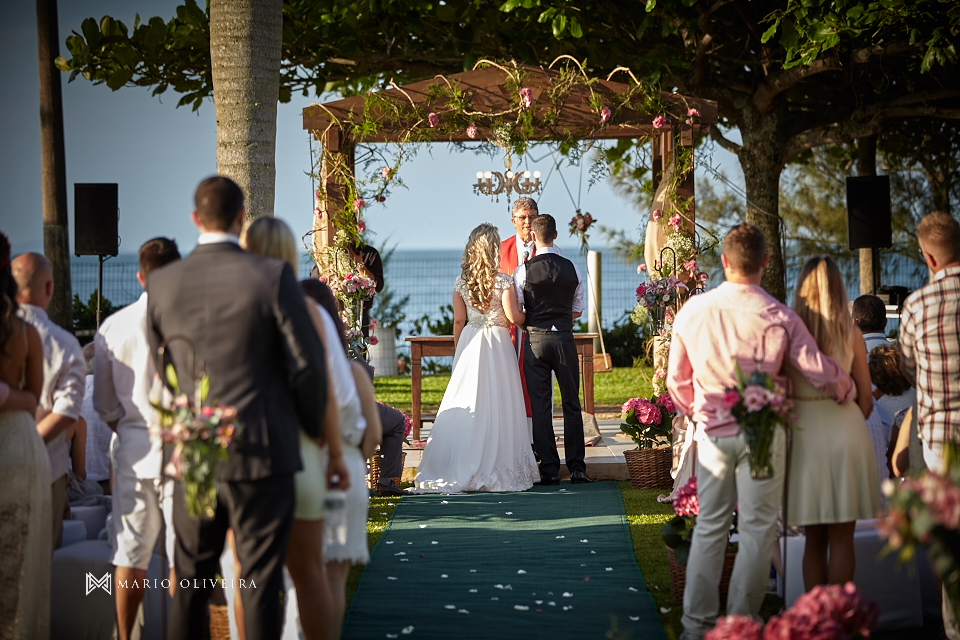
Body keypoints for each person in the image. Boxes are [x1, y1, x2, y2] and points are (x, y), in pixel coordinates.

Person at [147, 176, 341, 640]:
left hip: (196, 456)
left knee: (190, 586)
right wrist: (312, 428)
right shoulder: (271, 276)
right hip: (263, 452)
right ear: (240, 219)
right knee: (259, 582)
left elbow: (164, 368)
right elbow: (308, 366)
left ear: (195, 219)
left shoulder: (162, 283)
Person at [666, 224, 855, 640]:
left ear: (724, 261)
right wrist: (847, 386)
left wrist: (697, 412)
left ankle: (696, 627)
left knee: (711, 527)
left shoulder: (693, 311)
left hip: (714, 432)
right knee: (756, 530)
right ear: (766, 263)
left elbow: (676, 380)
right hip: (765, 432)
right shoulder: (779, 315)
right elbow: (817, 369)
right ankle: (740, 623)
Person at [234, 215, 349, 640]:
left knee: (247, 577)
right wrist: (335, 452)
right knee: (309, 573)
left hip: (243, 453)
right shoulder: (310, 312)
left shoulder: (228, 307)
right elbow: (323, 390)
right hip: (298, 449)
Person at [94, 237, 181, 640]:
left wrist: (130, 428)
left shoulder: (113, 326)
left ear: (139, 275)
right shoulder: (193, 320)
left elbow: (105, 405)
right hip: (183, 451)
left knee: (130, 551)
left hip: (132, 450)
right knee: (184, 552)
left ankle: (125, 636)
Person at [414, 223, 539, 493]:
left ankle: (459, 461)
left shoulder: (462, 282)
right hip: (496, 342)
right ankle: (497, 460)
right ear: (493, 249)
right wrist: (532, 314)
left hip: (470, 340)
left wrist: (459, 350)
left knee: (468, 398)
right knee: (499, 401)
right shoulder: (504, 282)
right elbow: (514, 319)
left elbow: (459, 320)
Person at [786, 256, 881, 590]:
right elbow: (867, 401)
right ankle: (839, 618)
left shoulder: (788, 332)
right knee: (842, 538)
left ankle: (817, 621)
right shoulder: (851, 333)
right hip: (847, 432)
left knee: (814, 539)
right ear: (839, 288)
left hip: (804, 435)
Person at [301, 278, 382, 639]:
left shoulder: (298, 373)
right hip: (347, 468)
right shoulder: (354, 373)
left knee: (305, 573)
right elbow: (375, 435)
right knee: (335, 577)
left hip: (307, 469)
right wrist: (354, 459)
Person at [898, 210, 960, 640]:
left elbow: (906, 369)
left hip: (941, 438)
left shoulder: (917, 305)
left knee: (950, 544)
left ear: (929, 258)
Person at [13, 251, 86, 550]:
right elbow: (67, 413)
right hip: (48, 466)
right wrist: (31, 442)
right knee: (42, 564)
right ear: (49, 289)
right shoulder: (65, 343)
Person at [0, 231, 51, 640]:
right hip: (18, 442)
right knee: (16, 563)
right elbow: (32, 397)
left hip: (16, 447)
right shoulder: (23, 333)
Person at [515, 214, 590, 486]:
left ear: (533, 236)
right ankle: (577, 469)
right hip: (564, 341)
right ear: (556, 235)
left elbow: (520, 309)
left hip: (535, 340)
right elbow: (578, 310)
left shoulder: (522, 270)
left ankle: (549, 469)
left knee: (541, 406)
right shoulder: (572, 268)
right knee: (571, 403)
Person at [499, 197, 538, 427]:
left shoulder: (546, 249)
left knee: (534, 380)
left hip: (536, 326)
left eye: (531, 217)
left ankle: (534, 431)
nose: (527, 222)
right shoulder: (502, 249)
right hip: (508, 326)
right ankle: (510, 427)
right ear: (513, 220)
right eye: (522, 217)